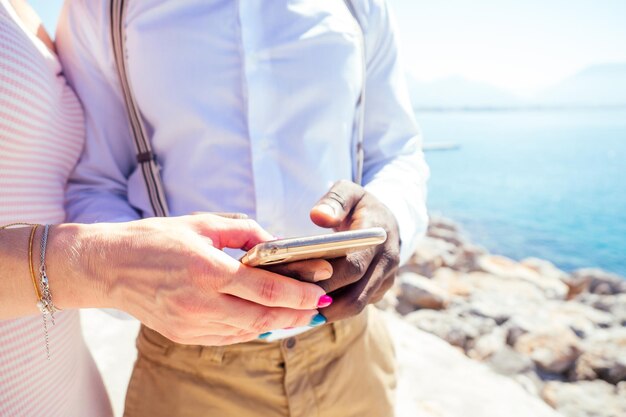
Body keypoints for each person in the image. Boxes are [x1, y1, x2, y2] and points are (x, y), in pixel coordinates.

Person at [57, 0, 429, 416]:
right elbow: (94, 181)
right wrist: (139, 274)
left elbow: (397, 152)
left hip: (352, 355)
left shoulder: (360, 6)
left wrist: (391, 216)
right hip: (188, 373)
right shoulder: (103, 9)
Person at [0, 1, 332, 416]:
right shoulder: (99, 10)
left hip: (67, 390)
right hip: (176, 363)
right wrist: (102, 267)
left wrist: (394, 225)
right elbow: (96, 177)